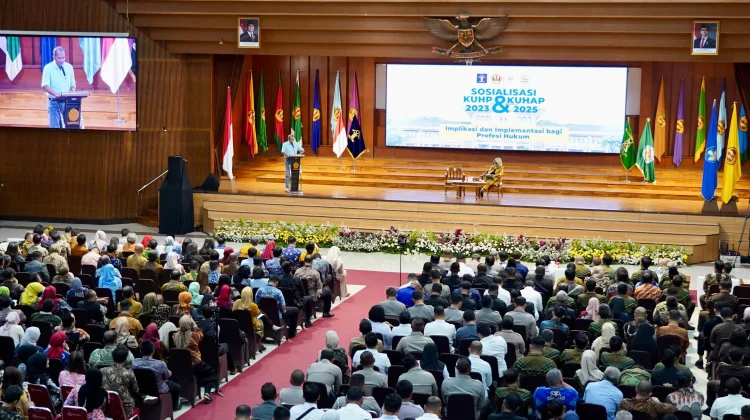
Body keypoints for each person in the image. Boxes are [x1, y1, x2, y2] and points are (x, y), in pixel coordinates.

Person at [173, 315, 216, 403]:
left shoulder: (174, 336)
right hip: (195, 364)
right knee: (211, 373)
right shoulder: (193, 336)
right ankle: (207, 393)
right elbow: (200, 333)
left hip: (181, 364)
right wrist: (193, 322)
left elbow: (181, 332)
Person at [101, 346, 139, 416]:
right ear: (126, 359)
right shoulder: (129, 373)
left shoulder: (102, 371)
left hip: (106, 406)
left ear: (113, 357)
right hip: (124, 408)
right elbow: (135, 390)